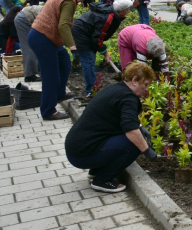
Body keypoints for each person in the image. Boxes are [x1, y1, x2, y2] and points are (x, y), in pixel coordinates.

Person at [65, 62, 158, 193]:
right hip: (82, 154)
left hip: (76, 148)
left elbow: (120, 117)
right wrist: (147, 150)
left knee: (130, 137)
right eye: (145, 85)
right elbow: (131, 131)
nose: (146, 89)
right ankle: (102, 180)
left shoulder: (115, 89)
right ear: (135, 80)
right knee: (134, 143)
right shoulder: (128, 98)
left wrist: (140, 126)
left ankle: (95, 171)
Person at [29, 0, 94, 120]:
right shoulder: (69, 0)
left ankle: (59, 93)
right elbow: (63, 25)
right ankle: (48, 111)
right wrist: (73, 46)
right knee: (50, 75)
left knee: (64, 61)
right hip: (43, 38)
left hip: (44, 37)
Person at [72, 0, 133, 97]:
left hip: (88, 33)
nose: (129, 11)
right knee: (89, 60)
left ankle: (93, 88)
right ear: (121, 11)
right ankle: (91, 91)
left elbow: (98, 36)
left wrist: (103, 51)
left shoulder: (114, 15)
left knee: (90, 58)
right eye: (127, 9)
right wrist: (105, 52)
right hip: (82, 33)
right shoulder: (107, 18)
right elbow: (97, 38)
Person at [14, 5, 43, 82]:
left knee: (32, 45)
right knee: (28, 47)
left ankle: (32, 72)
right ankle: (29, 76)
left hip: (24, 17)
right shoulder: (51, 13)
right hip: (24, 20)